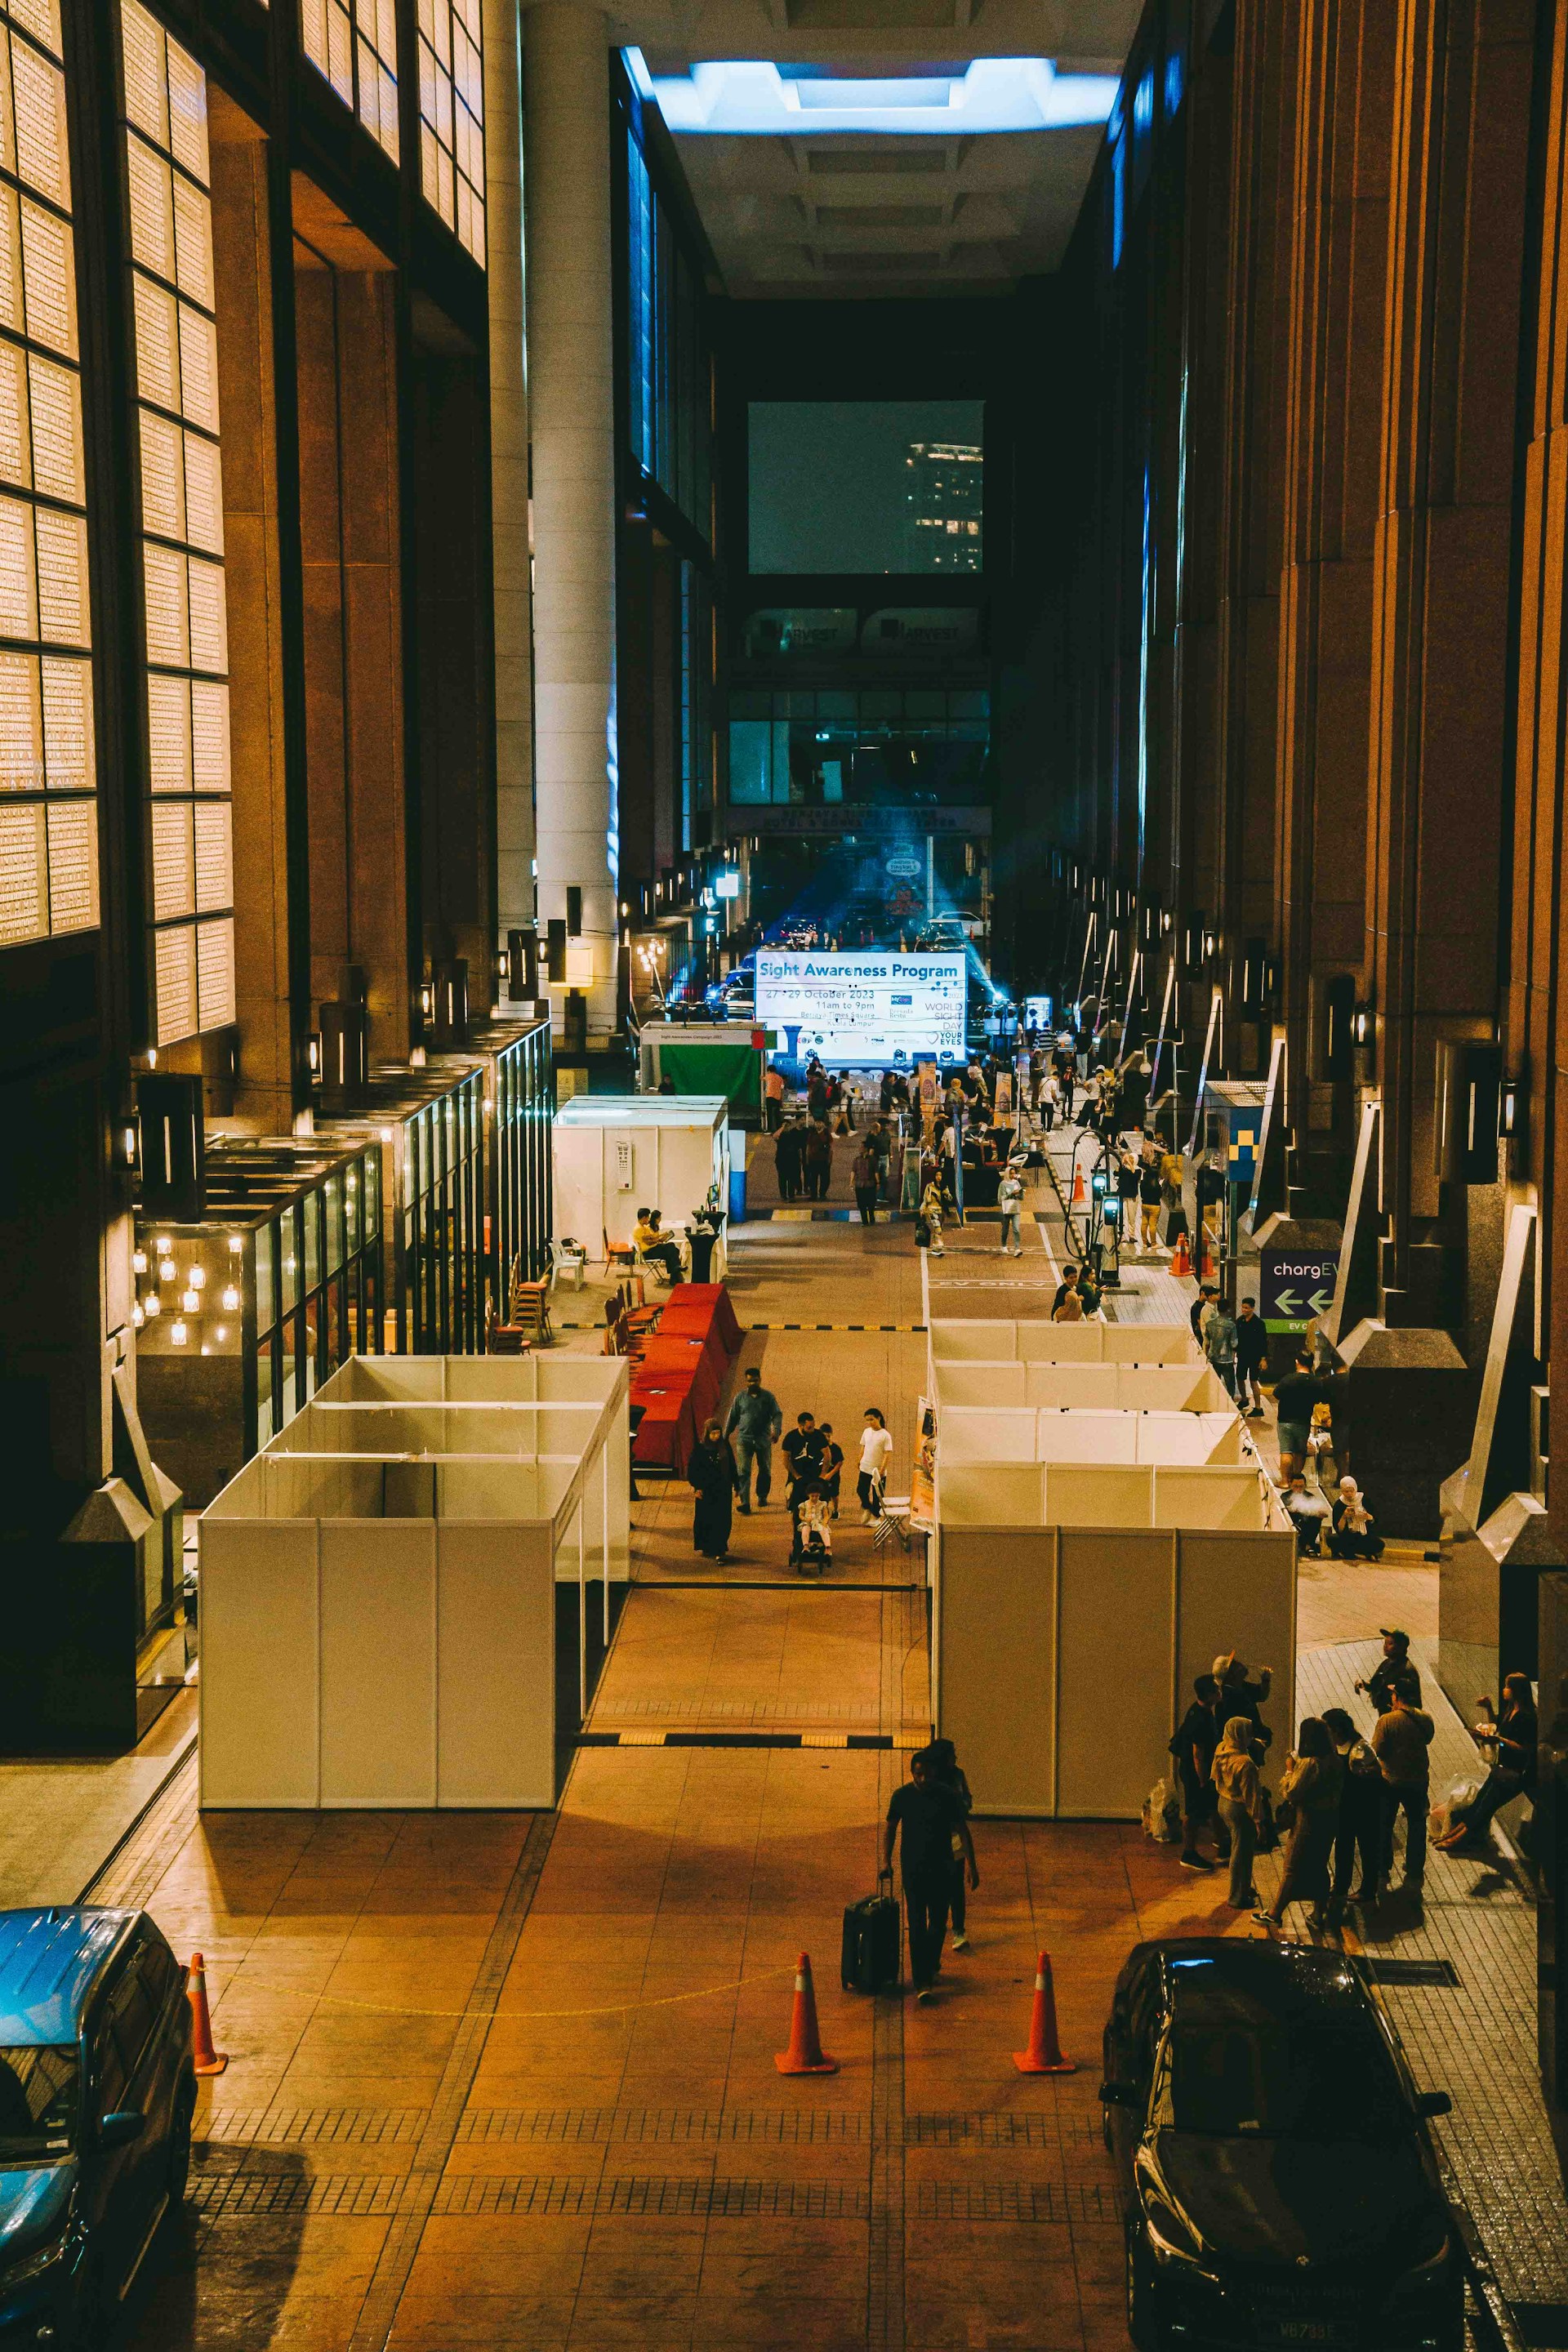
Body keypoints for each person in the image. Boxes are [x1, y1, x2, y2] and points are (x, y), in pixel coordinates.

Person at [880, 1747, 978, 2002]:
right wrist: (886, 1861)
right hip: (913, 1870)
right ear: (912, 1773)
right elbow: (890, 1828)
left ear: (934, 1772)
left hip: (942, 1868)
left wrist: (971, 1865)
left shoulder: (947, 1796)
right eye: (918, 1775)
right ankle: (922, 1981)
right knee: (916, 1923)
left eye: (927, 1774)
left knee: (937, 1924)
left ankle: (931, 1965)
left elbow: (962, 1830)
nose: (922, 1779)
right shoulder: (901, 1796)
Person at [1254, 1718, 1343, 1931]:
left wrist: (1289, 1771)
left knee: (1292, 1866)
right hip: (1329, 1819)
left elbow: (1292, 1792)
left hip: (1308, 1819)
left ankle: (1275, 1913)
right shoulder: (1336, 1760)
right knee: (1319, 1864)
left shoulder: (1310, 1763)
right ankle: (1318, 1913)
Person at [1435, 1672, 1539, 1852]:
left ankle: (1456, 1840)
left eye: (1507, 1687)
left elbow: (1525, 1748)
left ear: (1516, 1691)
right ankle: (1451, 1835)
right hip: (1501, 1769)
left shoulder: (1527, 1717)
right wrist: (1489, 1708)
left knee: (1485, 1809)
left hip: (1515, 1773)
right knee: (1479, 1803)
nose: (1504, 1690)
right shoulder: (1511, 1710)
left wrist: (1499, 1741)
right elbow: (1497, 1728)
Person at [1371, 1670, 1435, 1893]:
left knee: (1384, 1823)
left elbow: (1377, 1749)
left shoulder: (1387, 1720)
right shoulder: (1425, 1718)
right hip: (1418, 1779)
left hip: (1390, 1779)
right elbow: (1428, 1738)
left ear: (1396, 1697)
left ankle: (1383, 1866)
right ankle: (1415, 1866)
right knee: (1417, 1823)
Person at [1321, 1706, 1383, 1922]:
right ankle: (1341, 1885)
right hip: (1344, 1808)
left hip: (1363, 1808)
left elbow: (1375, 1776)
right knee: (1343, 1847)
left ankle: (1368, 1889)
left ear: (1338, 1729)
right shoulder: (1336, 1748)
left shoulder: (1360, 1748)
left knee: (1367, 1848)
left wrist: (1362, 1774)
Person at [1169, 1673, 1227, 1871]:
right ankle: (1189, 1853)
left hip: (1197, 1771)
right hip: (1196, 1773)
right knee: (1193, 1813)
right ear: (1209, 1695)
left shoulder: (1199, 1710)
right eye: (1216, 1690)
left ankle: (1223, 1845)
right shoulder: (1201, 1718)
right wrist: (1203, 1779)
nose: (1220, 1692)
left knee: (1212, 1807)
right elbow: (1198, 1753)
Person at [925, 1737, 976, 1951]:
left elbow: (967, 1800)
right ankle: (937, 1922)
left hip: (954, 1837)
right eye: (952, 1753)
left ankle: (958, 1930)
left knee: (956, 1885)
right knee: (935, 1884)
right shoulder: (931, 1778)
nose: (955, 1757)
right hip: (935, 1838)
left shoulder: (958, 1776)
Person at [1210, 1717, 1264, 1909]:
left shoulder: (1222, 1748)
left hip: (1223, 1802)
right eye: (1249, 1733)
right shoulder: (1246, 1763)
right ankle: (1236, 1897)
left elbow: (1214, 1775)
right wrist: (1259, 1821)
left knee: (1239, 1848)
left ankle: (1243, 1888)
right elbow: (1252, 1796)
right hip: (1239, 1809)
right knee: (1241, 1853)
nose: (1252, 1737)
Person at [724, 1365, 782, 1513]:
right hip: (744, 1440)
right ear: (746, 1381)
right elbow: (733, 1417)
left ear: (760, 1380)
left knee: (765, 1469)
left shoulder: (768, 1398)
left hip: (763, 1440)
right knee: (743, 1471)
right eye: (749, 1381)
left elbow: (777, 1414)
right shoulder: (740, 1398)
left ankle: (762, 1496)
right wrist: (725, 1435)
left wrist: (776, 1431)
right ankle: (745, 1502)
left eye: (755, 1381)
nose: (752, 1384)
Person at [686, 1419, 735, 1564]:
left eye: (718, 1433)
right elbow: (693, 1470)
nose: (716, 1436)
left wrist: (737, 1485)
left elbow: (731, 1465)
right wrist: (696, 1487)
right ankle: (707, 1545)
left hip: (723, 1490)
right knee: (706, 1519)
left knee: (722, 1520)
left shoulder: (724, 1446)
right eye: (713, 1433)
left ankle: (720, 1549)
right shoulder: (700, 1450)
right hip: (706, 1491)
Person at [1272, 1350, 1325, 1481]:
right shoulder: (1316, 1382)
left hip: (1285, 1420)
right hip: (1303, 1421)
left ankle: (1285, 1481)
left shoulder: (1288, 1379)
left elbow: (1276, 1394)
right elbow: (1319, 1399)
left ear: (1297, 1361)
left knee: (1286, 1451)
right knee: (1300, 1452)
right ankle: (1296, 1479)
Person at [782, 1410, 827, 1535]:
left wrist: (823, 1474)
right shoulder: (791, 1437)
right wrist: (796, 1475)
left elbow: (827, 1455)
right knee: (798, 1507)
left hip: (814, 1477)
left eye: (813, 1426)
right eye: (809, 1428)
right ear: (800, 1426)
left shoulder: (818, 1435)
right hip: (799, 1478)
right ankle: (798, 1535)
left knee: (818, 1506)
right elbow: (785, 1459)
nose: (812, 1430)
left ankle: (817, 1535)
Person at [1356, 1628, 1419, 1713]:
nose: (1385, 1646)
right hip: (1385, 1715)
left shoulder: (1407, 1670)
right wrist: (1363, 1684)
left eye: (1390, 1644)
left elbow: (1413, 1702)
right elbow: (1375, 1685)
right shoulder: (1386, 1663)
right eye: (1385, 1643)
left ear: (1400, 1647)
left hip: (1399, 1719)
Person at [1328, 1475, 1383, 1560]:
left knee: (1379, 1544)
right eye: (1346, 1491)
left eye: (1351, 1491)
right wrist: (1344, 1516)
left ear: (1355, 1489)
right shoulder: (1339, 1504)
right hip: (1347, 1536)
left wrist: (1369, 1517)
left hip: (1364, 1535)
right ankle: (1358, 1552)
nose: (1349, 1494)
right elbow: (1339, 1529)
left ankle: (1354, 1551)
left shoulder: (1364, 1499)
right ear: (1342, 1491)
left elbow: (1375, 1520)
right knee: (1331, 1539)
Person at [1282, 1472, 1332, 1557]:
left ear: (1305, 1486)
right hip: (1293, 1524)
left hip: (1308, 1525)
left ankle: (1309, 1545)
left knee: (1315, 1518)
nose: (1298, 1489)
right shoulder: (1285, 1496)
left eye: (1301, 1487)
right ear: (1291, 1485)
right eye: (1295, 1486)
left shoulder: (1310, 1496)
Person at [1234, 1298, 1268, 1416]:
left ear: (1253, 1308)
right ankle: (1244, 1400)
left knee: (1253, 1381)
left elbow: (1264, 1341)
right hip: (1242, 1355)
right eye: (1243, 1307)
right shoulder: (1239, 1321)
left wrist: (1263, 1359)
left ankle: (1258, 1408)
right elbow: (1236, 1339)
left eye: (1247, 1308)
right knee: (1239, 1378)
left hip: (1255, 1357)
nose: (1244, 1310)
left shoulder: (1259, 1323)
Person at [858, 1407, 893, 1521]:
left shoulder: (885, 1435)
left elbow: (887, 1454)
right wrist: (860, 1459)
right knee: (861, 1490)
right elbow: (863, 1446)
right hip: (865, 1467)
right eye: (867, 1420)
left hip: (877, 1470)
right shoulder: (866, 1432)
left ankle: (875, 1516)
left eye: (872, 1420)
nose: (869, 1423)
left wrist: (882, 1470)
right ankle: (867, 1508)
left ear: (878, 1418)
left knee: (878, 1496)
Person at [634, 1207, 683, 1285]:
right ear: (644, 1218)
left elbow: (651, 1238)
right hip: (648, 1252)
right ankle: (675, 1273)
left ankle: (675, 1274)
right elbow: (649, 1242)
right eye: (648, 1217)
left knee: (672, 1250)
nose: (649, 1219)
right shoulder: (639, 1229)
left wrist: (661, 1237)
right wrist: (659, 1240)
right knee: (672, 1248)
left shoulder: (642, 1227)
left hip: (652, 1249)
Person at [1204, 1297, 1239, 1399]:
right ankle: (1229, 1405)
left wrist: (1207, 1356)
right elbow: (1234, 1344)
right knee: (1230, 1386)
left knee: (1214, 1384)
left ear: (1217, 1309)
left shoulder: (1210, 1324)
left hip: (1213, 1358)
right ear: (1228, 1309)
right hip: (1226, 1359)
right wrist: (1234, 1357)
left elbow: (1207, 1342)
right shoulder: (1231, 1325)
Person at [1138, 1151, 1163, 1255]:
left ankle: (1144, 1242)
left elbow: (1141, 1192)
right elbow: (1160, 1195)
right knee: (1153, 1225)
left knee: (1144, 1223)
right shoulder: (1156, 1185)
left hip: (1145, 1204)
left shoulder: (1144, 1182)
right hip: (1155, 1206)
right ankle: (1153, 1243)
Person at [997, 1160, 1025, 1256]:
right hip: (1006, 1210)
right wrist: (1011, 1194)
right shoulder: (1003, 1184)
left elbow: (1021, 1198)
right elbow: (1001, 1198)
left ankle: (1017, 1248)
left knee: (1016, 1229)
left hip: (1015, 1209)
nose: (1013, 1175)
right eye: (1011, 1173)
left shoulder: (1016, 1183)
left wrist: (1020, 1193)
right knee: (1005, 1229)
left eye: (1014, 1173)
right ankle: (1004, 1245)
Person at [773, 1120, 804, 1203]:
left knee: (791, 1178)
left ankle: (791, 1195)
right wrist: (783, 1127)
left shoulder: (794, 1134)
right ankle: (784, 1195)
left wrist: (800, 1159)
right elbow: (775, 1136)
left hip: (792, 1159)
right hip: (782, 1159)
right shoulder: (782, 1135)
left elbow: (799, 1148)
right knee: (782, 1178)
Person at [817, 1423, 844, 1517]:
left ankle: (835, 1510)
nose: (827, 1438)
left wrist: (831, 1474)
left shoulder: (836, 1449)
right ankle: (823, 1511)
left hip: (833, 1477)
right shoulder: (817, 1447)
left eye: (828, 1436)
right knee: (821, 1494)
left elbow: (839, 1462)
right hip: (821, 1476)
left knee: (834, 1494)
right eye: (824, 1436)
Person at [803, 1119, 832, 1202]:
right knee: (812, 1178)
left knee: (825, 1178)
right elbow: (808, 1146)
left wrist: (829, 1158)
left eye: (820, 1122)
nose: (818, 1124)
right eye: (817, 1122)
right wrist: (807, 1157)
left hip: (824, 1159)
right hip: (813, 1159)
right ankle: (813, 1195)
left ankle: (822, 1194)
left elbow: (830, 1146)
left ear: (823, 1124)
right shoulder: (811, 1133)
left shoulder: (827, 1133)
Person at [919, 1174, 946, 1257]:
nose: (939, 1177)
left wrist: (947, 1194)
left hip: (941, 1211)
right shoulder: (930, 1186)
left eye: (940, 1175)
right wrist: (922, 1209)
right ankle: (938, 1248)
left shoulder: (944, 1186)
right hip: (932, 1211)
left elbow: (950, 1199)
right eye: (937, 1175)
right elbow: (925, 1199)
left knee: (938, 1229)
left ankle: (935, 1248)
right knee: (938, 1229)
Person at [1188, 1282, 1218, 1348]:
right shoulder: (1196, 1307)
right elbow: (1201, 1323)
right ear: (1202, 1293)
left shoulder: (1206, 1305)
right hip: (1200, 1338)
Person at [764, 1062, 786, 1131]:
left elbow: (762, 1078)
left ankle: (770, 1129)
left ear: (769, 1071)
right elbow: (782, 1089)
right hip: (777, 1098)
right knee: (777, 1114)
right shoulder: (780, 1078)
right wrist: (781, 1100)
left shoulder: (768, 1076)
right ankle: (778, 1128)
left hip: (769, 1097)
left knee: (769, 1114)